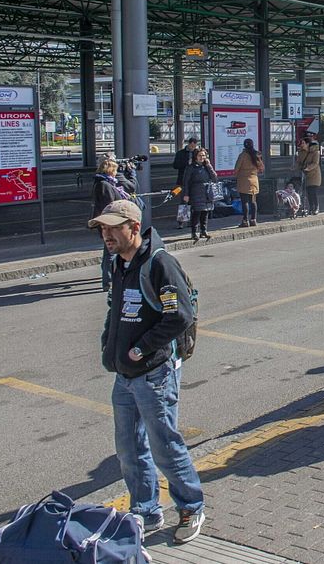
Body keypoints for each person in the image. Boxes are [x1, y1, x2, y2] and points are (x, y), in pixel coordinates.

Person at [89, 200, 205, 544]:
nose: (106, 235)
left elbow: (180, 315)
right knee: (128, 448)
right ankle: (146, 510)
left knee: (164, 446)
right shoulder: (119, 263)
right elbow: (116, 308)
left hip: (154, 374)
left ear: (134, 228)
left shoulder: (160, 264)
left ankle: (191, 507)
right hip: (124, 375)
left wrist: (140, 349)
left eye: (113, 228)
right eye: (103, 229)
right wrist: (108, 343)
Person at [93, 155, 137, 291]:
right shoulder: (104, 185)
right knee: (110, 253)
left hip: (113, 223)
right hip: (110, 224)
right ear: (110, 169)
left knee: (109, 253)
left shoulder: (108, 183)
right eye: (115, 170)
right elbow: (109, 206)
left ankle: (109, 279)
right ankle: (108, 282)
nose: (117, 173)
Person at [180, 147, 217, 243]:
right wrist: (186, 194)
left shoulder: (206, 166)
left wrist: (209, 166)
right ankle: (194, 232)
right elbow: (186, 182)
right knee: (197, 212)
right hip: (195, 191)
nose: (202, 157)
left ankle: (203, 230)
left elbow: (214, 178)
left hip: (206, 192)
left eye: (204, 155)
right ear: (196, 157)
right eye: (200, 155)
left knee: (205, 212)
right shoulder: (191, 167)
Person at [234, 138, 264, 227]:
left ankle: (245, 220)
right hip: (254, 180)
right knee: (253, 201)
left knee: (245, 201)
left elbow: (236, 168)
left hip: (244, 180)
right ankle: (253, 219)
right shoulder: (257, 155)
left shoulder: (243, 155)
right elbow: (261, 168)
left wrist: (236, 175)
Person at [296, 134, 321, 215]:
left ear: (307, 144)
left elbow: (315, 163)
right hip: (305, 174)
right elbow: (298, 162)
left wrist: (308, 168)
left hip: (314, 174)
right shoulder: (301, 152)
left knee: (313, 191)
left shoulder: (315, 152)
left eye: (303, 143)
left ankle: (316, 207)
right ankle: (311, 208)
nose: (301, 145)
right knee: (308, 192)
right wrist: (296, 167)